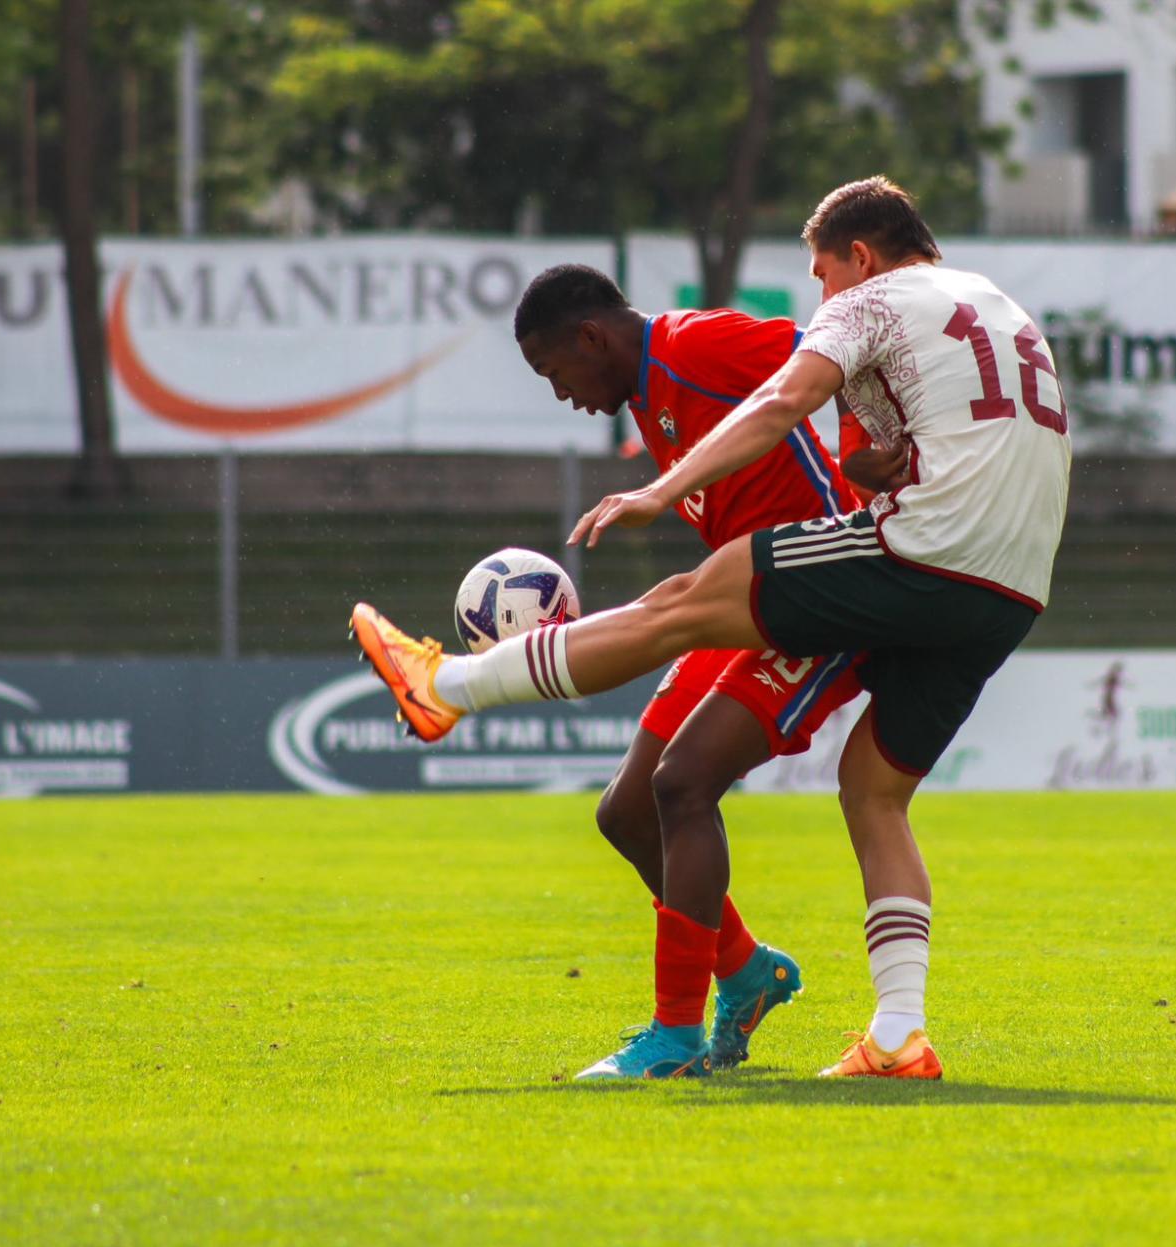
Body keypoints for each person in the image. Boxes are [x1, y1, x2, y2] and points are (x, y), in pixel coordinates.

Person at [353, 175, 1071, 1080]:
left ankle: (449, 688)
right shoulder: (991, 302)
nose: (822, 300)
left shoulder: (734, 333)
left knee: (680, 694)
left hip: (867, 578)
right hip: (1010, 577)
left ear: (859, 256)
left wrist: (663, 490)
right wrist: (868, 449)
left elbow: (791, 383)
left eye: (823, 276)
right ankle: (864, 1022)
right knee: (669, 803)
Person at [508, 262, 873, 1079]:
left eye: (554, 371)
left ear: (591, 337)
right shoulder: (646, 398)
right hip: (743, 604)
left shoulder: (697, 345)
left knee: (682, 784)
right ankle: (747, 972)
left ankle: (675, 1037)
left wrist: (871, 461)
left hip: (818, 601)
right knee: (626, 812)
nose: (561, 393)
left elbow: (832, 352)